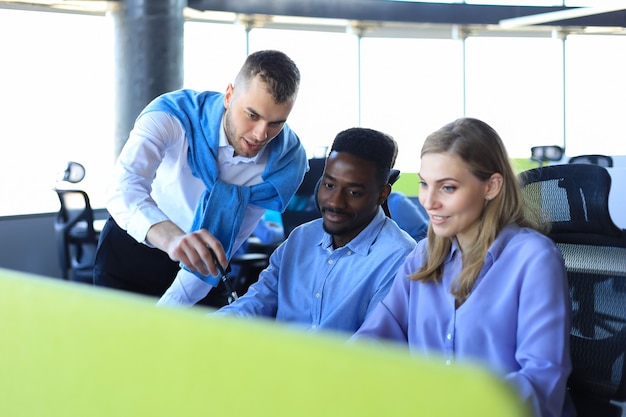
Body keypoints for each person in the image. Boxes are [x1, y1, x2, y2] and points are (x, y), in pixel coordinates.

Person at [352, 118, 575, 417]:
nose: (429, 202)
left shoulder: (533, 259)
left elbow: (541, 380)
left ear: (491, 187)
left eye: (447, 187)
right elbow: (373, 340)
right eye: (424, 184)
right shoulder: (424, 255)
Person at [94, 50, 308, 302]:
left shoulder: (286, 163)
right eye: (252, 115)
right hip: (131, 249)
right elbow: (124, 188)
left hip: (205, 266)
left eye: (276, 123)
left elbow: (230, 237)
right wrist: (174, 239)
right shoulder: (172, 115)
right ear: (229, 95)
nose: (261, 135)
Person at [211, 127, 417, 334]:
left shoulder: (399, 257)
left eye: (353, 192)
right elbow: (258, 299)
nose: (335, 202)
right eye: (329, 185)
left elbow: (371, 344)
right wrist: (203, 329)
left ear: (382, 194)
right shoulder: (301, 238)